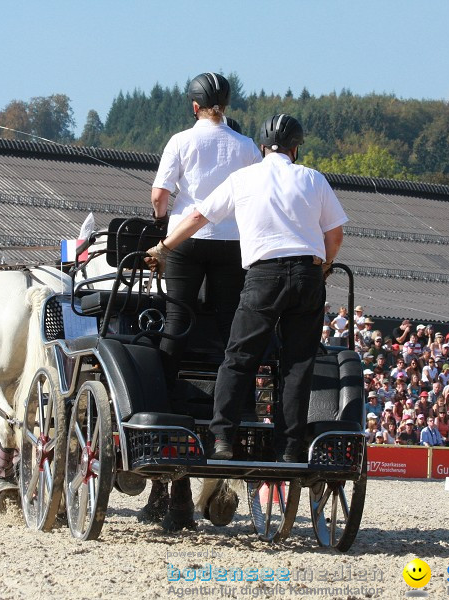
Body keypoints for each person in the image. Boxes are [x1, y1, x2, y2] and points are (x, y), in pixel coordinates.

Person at [147, 113, 347, 467]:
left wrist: (163, 248)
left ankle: (223, 438)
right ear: (295, 148)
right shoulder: (313, 179)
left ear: (261, 146)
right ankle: (288, 447)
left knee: (238, 359)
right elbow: (335, 235)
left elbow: (196, 217)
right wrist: (326, 264)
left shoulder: (243, 178)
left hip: (264, 276)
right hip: (307, 275)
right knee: (298, 364)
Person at [143, 72, 261, 531]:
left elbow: (159, 197)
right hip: (232, 242)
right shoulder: (248, 145)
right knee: (229, 321)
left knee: (178, 317)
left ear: (194, 107)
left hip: (187, 240)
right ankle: (228, 395)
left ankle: (167, 391)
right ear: (225, 104)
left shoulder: (180, 142)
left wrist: (162, 225)